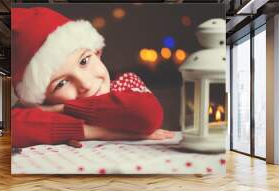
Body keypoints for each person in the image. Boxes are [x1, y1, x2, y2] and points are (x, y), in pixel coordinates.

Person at [11, 7, 174, 148]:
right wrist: (99, 132)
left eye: (84, 61)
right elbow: (11, 127)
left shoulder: (126, 84)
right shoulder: (37, 110)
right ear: (42, 99)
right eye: (61, 83)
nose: (86, 83)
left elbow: (148, 116)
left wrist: (60, 110)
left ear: (96, 53)